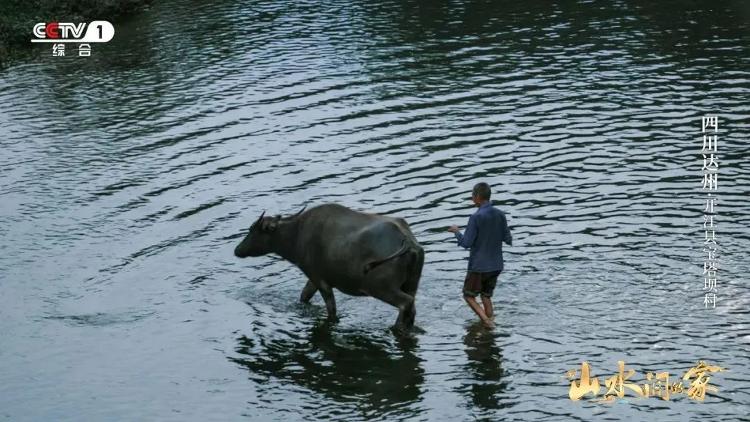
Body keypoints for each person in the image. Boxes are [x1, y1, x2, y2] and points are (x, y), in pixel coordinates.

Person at [448, 182, 512, 328]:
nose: (472, 199)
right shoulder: (500, 214)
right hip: (496, 265)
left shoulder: (476, 217)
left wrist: (457, 232)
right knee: (485, 295)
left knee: (468, 295)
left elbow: (466, 243)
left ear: (477, 197)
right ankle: (490, 320)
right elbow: (508, 239)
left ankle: (487, 322)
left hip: (479, 266)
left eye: (472, 196)